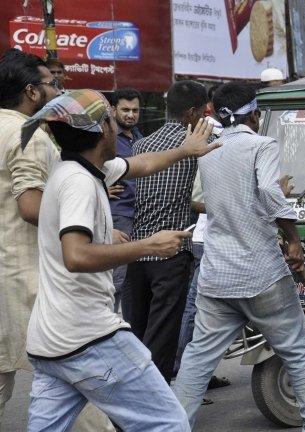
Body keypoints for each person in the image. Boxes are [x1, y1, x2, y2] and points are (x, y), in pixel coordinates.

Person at [20, 89, 219, 431]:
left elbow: (141, 164)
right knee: (169, 423)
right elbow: (77, 255)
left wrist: (185, 150)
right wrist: (149, 246)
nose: (119, 124)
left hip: (51, 342)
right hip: (88, 337)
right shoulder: (79, 182)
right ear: (103, 131)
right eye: (112, 118)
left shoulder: (82, 167)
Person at [173, 82, 305, 431]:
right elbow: (270, 194)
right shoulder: (262, 145)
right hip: (261, 274)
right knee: (298, 353)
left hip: (217, 276)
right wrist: (293, 240)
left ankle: (173, 427)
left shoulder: (208, 150)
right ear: (255, 114)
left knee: (197, 359)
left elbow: (213, 201)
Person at [125, 80, 208, 381]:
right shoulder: (199, 146)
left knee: (136, 332)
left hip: (137, 251)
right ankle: (155, 407)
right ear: (191, 112)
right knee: (162, 337)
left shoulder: (142, 144)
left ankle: (132, 400)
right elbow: (198, 199)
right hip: (171, 252)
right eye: (203, 110)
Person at [0, 47, 61, 424]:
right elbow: (32, 207)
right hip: (27, 275)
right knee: (68, 370)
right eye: (52, 83)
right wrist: (82, 222)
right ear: (32, 92)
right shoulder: (29, 134)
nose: (58, 91)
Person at [107, 88, 143, 314]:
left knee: (130, 280)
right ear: (113, 110)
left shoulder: (139, 138)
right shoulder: (106, 137)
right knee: (115, 281)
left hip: (138, 214)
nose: (131, 115)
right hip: (118, 215)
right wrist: (101, 188)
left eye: (135, 110)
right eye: (125, 110)